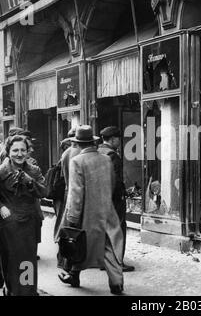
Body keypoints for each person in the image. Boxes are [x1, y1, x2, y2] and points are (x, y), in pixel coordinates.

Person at [61, 125, 124, 295]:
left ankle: (74, 275)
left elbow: (76, 192)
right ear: (92, 142)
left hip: (87, 212)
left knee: (80, 245)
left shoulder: (77, 161)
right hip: (107, 210)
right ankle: (116, 283)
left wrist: (72, 216)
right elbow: (112, 184)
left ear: (79, 144)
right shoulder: (106, 159)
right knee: (110, 245)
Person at [0, 135, 47, 296]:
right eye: (15, 150)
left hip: (29, 222)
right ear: (8, 152)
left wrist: (30, 181)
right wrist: (0, 206)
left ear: (28, 152)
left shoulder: (34, 170)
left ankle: (27, 291)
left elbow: (45, 192)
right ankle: (12, 290)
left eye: (23, 150)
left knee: (28, 260)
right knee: (10, 260)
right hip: (9, 223)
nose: (19, 154)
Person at [99, 126, 135, 272]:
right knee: (118, 229)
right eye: (119, 139)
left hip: (99, 199)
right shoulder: (113, 156)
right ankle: (117, 262)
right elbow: (114, 181)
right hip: (113, 200)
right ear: (113, 139)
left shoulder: (98, 152)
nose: (120, 142)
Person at [55, 128, 80, 275]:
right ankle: (69, 263)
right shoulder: (78, 154)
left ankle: (64, 260)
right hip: (74, 195)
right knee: (73, 230)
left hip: (67, 193)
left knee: (66, 228)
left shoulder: (66, 153)